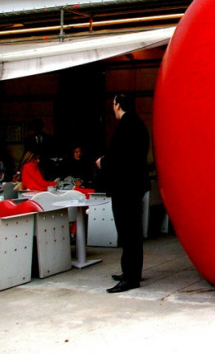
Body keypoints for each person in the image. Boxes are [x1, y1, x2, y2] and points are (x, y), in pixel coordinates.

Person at [96, 93, 150, 294]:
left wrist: (102, 162)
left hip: (126, 187)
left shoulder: (126, 126)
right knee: (132, 231)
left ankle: (130, 277)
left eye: (113, 104)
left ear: (118, 105)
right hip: (134, 185)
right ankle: (131, 272)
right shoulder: (138, 124)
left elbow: (119, 158)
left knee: (128, 232)